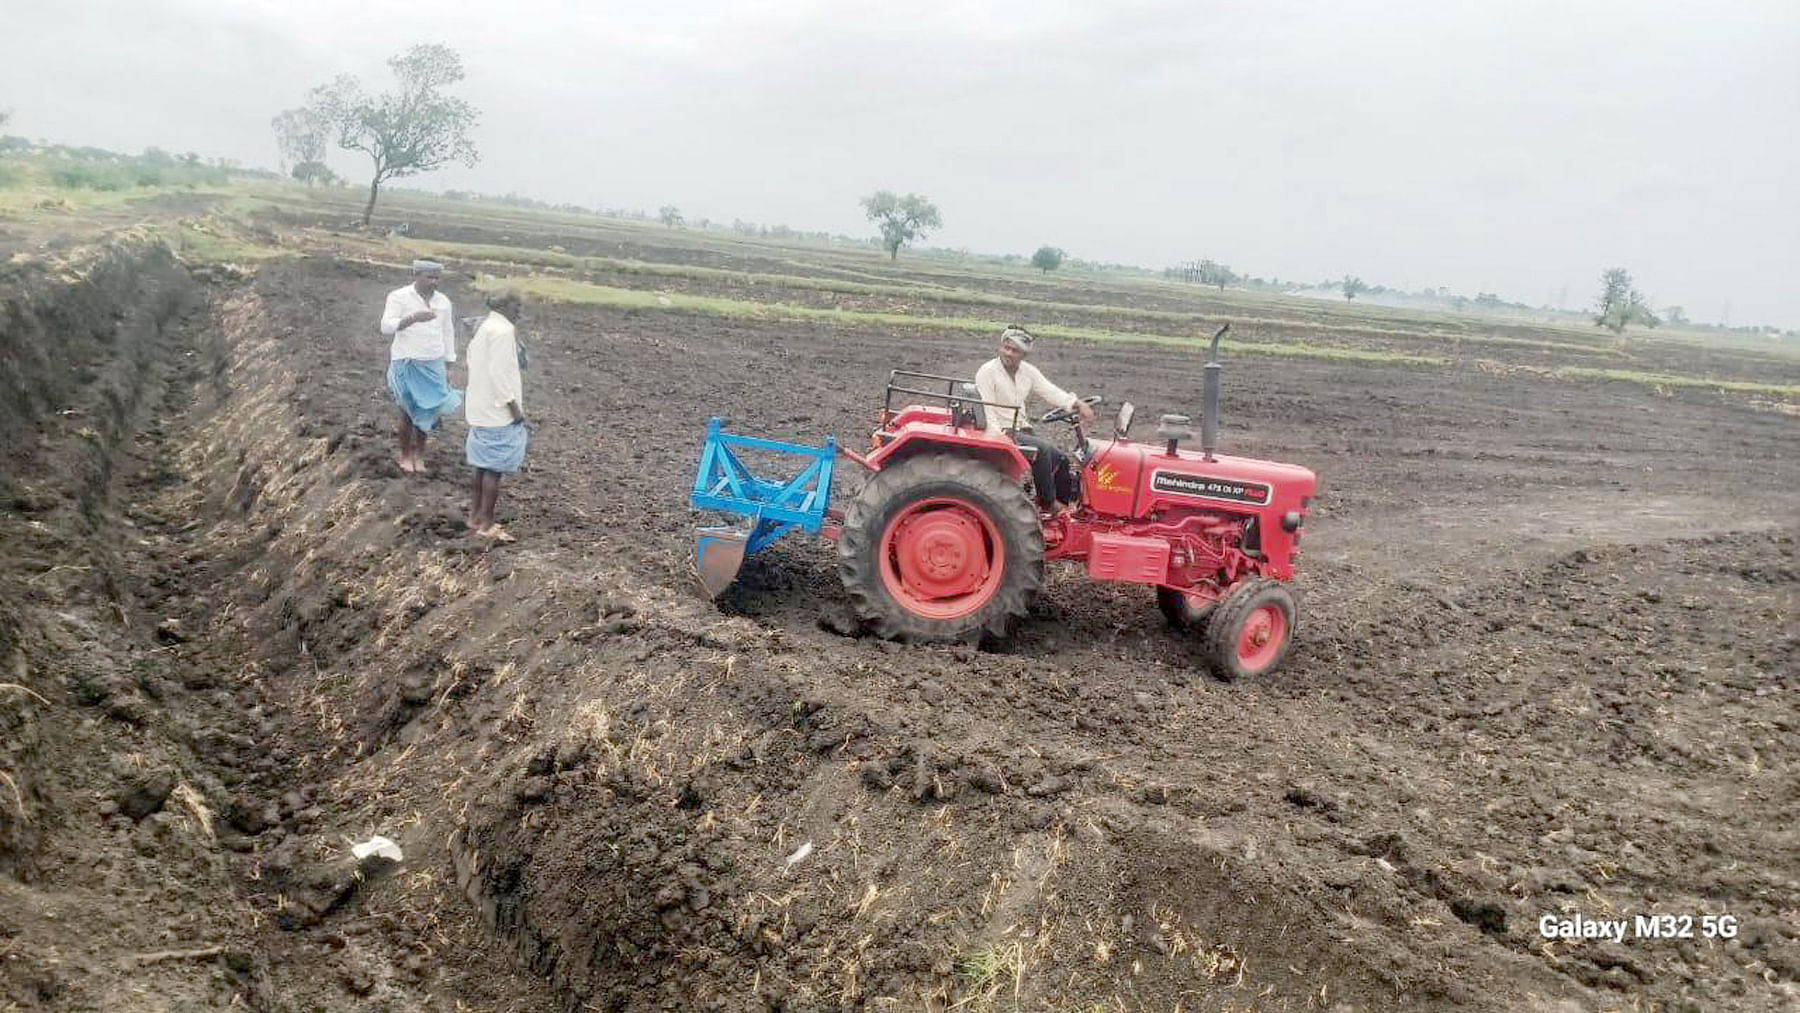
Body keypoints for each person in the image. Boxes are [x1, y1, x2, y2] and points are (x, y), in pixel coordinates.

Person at [973, 325, 1095, 509]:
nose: (1008, 353)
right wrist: (998, 438)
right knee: (1042, 451)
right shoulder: (987, 371)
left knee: (1060, 460)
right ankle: (1048, 504)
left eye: (1014, 350)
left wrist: (1076, 403)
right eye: (1006, 348)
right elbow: (987, 407)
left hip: (1021, 427)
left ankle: (1063, 509)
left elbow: (1050, 391)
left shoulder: (1028, 372)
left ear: (1023, 355)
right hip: (1002, 430)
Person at [380, 259, 461, 474]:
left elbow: (447, 332)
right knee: (407, 411)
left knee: (428, 411)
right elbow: (386, 327)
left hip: (433, 363)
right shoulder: (399, 297)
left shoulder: (443, 302)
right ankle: (406, 455)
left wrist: (449, 365)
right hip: (406, 362)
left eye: (437, 278)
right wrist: (413, 318)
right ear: (416, 274)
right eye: (429, 277)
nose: (434, 282)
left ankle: (419, 455)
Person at [463, 290, 529, 541]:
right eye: (517, 305)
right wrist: (513, 407)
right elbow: (499, 373)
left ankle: (475, 517)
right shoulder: (503, 331)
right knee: (494, 469)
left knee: (481, 467)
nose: (520, 311)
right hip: (498, 411)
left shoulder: (484, 325)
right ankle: (487, 524)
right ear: (506, 305)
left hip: (480, 407)